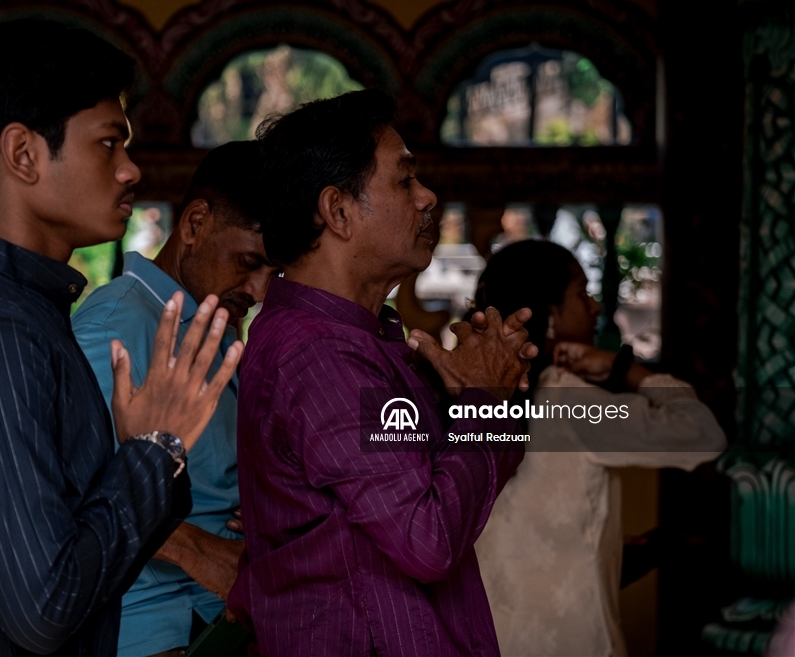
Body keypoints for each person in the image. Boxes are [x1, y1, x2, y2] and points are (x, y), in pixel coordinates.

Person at [0, 20, 243, 657]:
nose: (130, 170)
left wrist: (146, 455)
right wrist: (155, 451)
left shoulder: (32, 312)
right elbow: (44, 608)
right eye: (108, 143)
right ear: (23, 154)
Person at [226, 89, 538, 656]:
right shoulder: (319, 357)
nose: (428, 198)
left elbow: (464, 484)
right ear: (338, 212)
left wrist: (494, 393)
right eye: (404, 181)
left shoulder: (363, 338)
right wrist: (483, 401)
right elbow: (428, 539)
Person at [470, 239, 727, 656]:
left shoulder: (471, 398)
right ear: (550, 316)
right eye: (580, 293)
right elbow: (701, 434)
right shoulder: (567, 399)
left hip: (486, 638)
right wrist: (625, 368)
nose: (594, 307)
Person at [72, 141, 273, 657]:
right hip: (145, 632)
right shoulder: (114, 325)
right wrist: (196, 550)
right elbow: (61, 492)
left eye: (273, 271)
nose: (258, 290)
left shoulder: (217, 327)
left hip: (216, 624)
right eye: (249, 261)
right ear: (195, 223)